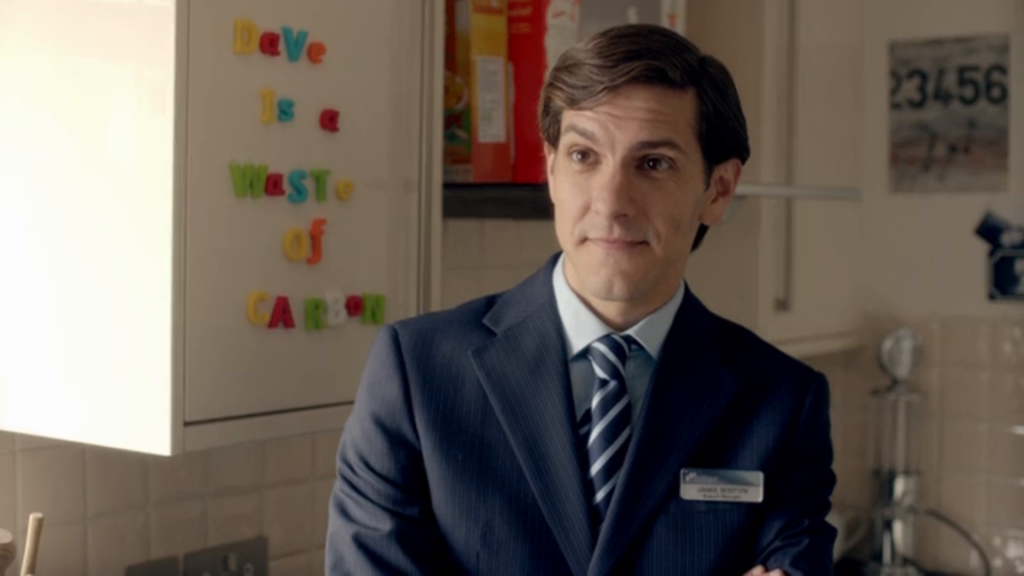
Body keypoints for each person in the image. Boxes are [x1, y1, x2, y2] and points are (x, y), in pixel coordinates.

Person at [326, 23, 836, 576]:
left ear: (718, 190)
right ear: (550, 169)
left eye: (653, 163)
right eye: (583, 155)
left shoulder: (782, 403)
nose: (610, 202)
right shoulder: (417, 373)